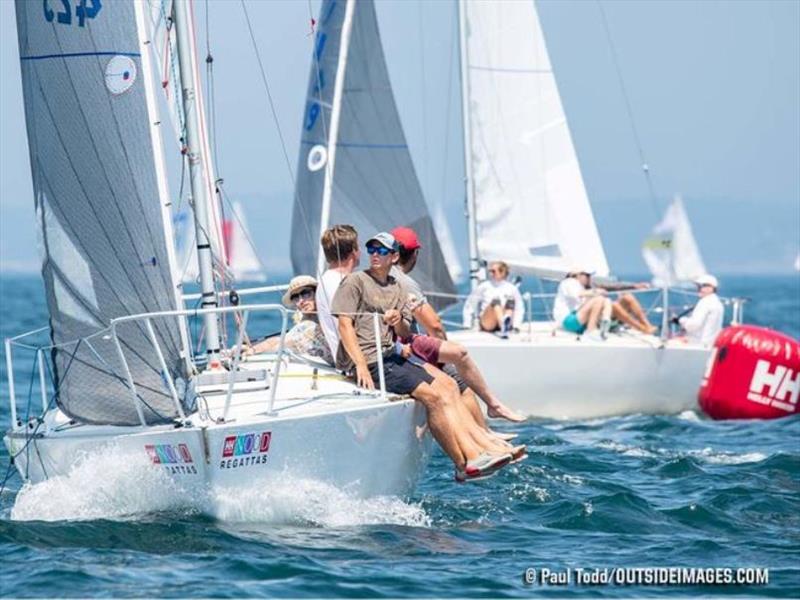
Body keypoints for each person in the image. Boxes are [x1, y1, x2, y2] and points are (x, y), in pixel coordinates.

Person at [331, 231, 523, 482]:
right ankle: (464, 463)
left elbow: (404, 332)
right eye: (371, 250)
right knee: (434, 396)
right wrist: (360, 366)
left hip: (391, 355)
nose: (375, 255)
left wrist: (398, 321)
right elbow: (344, 326)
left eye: (381, 251)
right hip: (370, 360)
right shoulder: (355, 281)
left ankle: (481, 450)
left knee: (450, 385)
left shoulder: (398, 286)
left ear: (394, 256)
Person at [390, 226, 524, 424]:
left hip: (395, 350)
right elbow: (434, 324)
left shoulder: (378, 278)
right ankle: (485, 433)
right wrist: (443, 355)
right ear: (414, 254)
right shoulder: (405, 282)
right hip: (407, 350)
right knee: (460, 380)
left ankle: (488, 422)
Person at [246, 275, 333, 365]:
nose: (301, 301)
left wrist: (253, 351)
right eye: (295, 297)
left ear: (317, 293)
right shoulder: (304, 321)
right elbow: (280, 340)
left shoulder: (328, 312)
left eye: (306, 293)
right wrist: (252, 349)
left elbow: (286, 342)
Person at [315, 224, 361, 359]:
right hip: (357, 360)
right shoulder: (340, 284)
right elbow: (351, 328)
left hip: (348, 357)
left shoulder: (327, 280)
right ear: (354, 251)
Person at [463, 261, 524, 338]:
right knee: (495, 301)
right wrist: (467, 323)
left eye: (493, 271)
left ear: (502, 273)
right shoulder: (484, 286)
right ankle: (503, 327)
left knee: (511, 301)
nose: (491, 273)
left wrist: (516, 326)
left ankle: (504, 326)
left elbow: (519, 308)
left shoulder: (512, 288)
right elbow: (471, 303)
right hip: (488, 323)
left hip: (506, 321)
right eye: (490, 271)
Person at [552, 268, 610, 340]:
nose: (589, 278)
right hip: (567, 321)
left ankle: (606, 322)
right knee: (598, 300)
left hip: (577, 321)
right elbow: (577, 294)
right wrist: (596, 291)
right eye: (587, 275)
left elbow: (583, 304)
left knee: (606, 300)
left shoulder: (580, 287)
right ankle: (591, 330)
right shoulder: (569, 282)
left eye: (590, 276)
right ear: (578, 275)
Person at [677, 274, 724, 346]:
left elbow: (693, 325)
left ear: (711, 288)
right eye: (698, 286)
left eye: (701, 286)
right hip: (711, 344)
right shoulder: (717, 303)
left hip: (699, 345)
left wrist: (681, 320)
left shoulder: (705, 302)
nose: (698, 289)